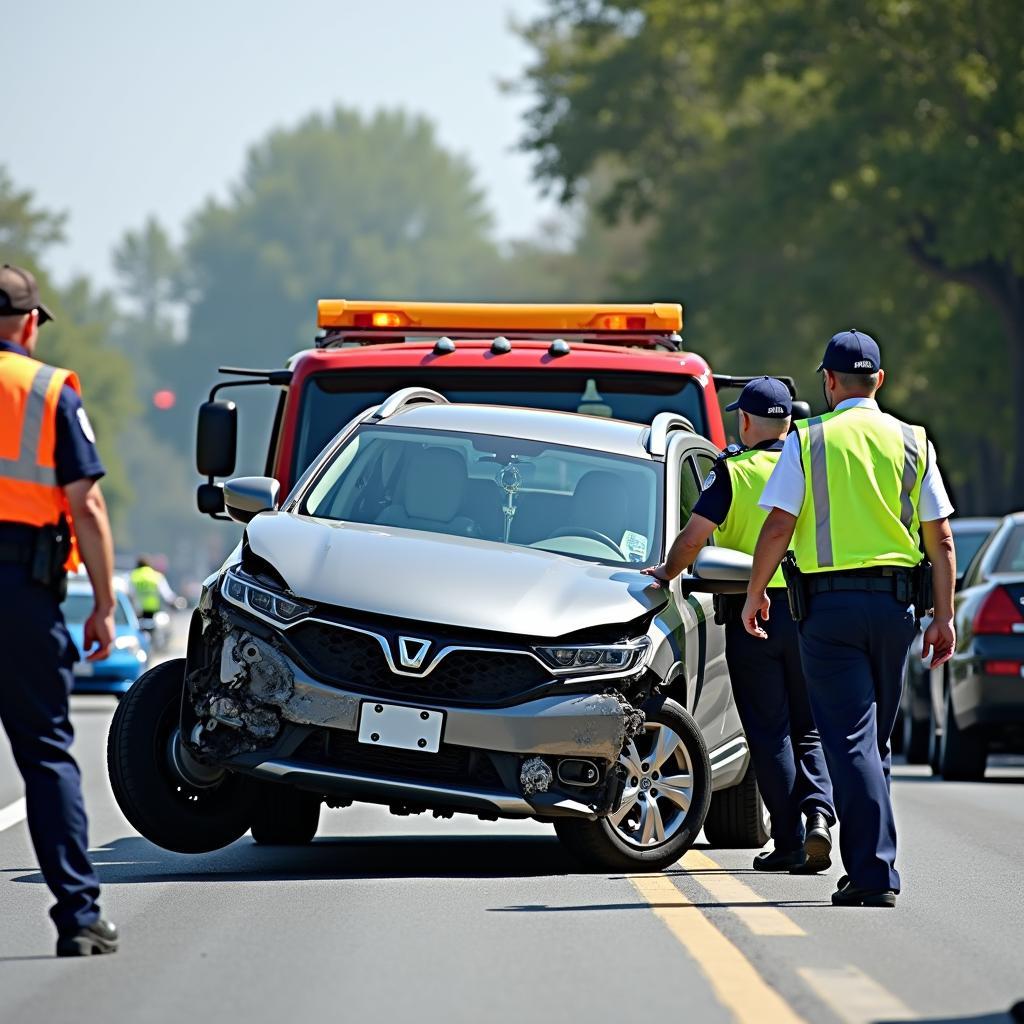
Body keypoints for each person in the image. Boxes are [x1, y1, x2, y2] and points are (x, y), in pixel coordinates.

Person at [741, 330, 956, 908]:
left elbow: (780, 527)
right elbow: (940, 539)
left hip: (829, 611)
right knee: (873, 741)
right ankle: (871, 866)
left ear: (829, 382)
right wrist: (944, 617)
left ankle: (874, 874)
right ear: (879, 381)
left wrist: (755, 591)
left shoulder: (808, 440)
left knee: (852, 742)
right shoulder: (914, 442)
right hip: (895, 609)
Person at [644, 377, 835, 872]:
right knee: (809, 727)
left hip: (753, 615)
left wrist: (666, 573)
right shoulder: (814, 470)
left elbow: (693, 540)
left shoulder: (735, 472)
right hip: (810, 613)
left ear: (746, 421)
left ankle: (790, 840)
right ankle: (819, 813)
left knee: (769, 733)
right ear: (789, 422)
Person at [0, 263, 119, 955]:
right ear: (29, 322)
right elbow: (87, 503)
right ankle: (79, 919)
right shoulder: (47, 391)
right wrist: (103, 602)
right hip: (20, 595)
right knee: (45, 756)